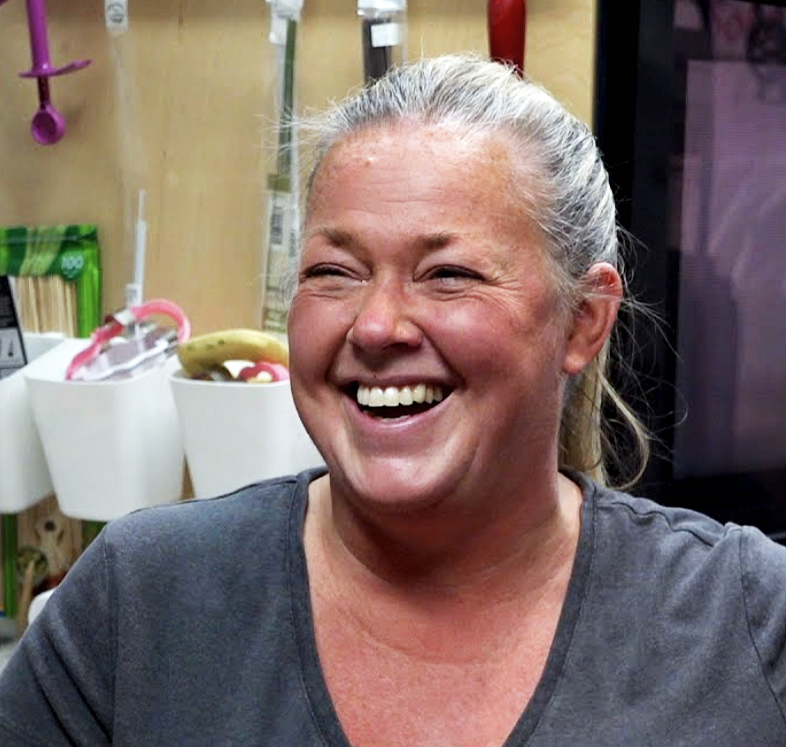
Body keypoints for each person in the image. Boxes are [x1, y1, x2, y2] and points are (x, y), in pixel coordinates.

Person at [2, 52, 786, 747]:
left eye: (449, 274)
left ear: (582, 321)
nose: (375, 326)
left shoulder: (746, 619)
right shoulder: (141, 604)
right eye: (333, 273)